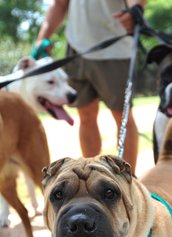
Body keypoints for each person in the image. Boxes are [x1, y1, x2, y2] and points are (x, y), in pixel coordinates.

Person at [34, 0, 147, 171]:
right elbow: (59, 3)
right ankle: (91, 177)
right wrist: (43, 37)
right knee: (85, 116)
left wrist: (136, 8)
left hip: (114, 48)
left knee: (122, 117)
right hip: (77, 48)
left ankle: (128, 181)